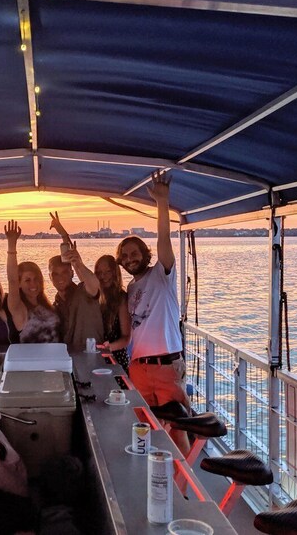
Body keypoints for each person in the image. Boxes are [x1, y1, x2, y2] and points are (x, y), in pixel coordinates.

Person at [118, 172, 189, 454]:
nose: (130, 259)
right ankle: (148, 472)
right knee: (143, 427)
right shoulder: (130, 288)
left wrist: (162, 202)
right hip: (139, 368)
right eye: (124, 256)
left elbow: (164, 239)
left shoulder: (162, 274)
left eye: (134, 253)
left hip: (166, 366)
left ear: (145, 254)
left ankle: (182, 481)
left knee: (177, 430)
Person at [48, 212, 104, 353]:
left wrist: (78, 263)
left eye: (65, 272)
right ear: (50, 277)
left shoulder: (84, 292)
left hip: (92, 358)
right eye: (55, 274)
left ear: (72, 273)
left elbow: (94, 284)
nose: (60, 277)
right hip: (67, 359)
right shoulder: (55, 305)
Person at [5, 220, 61, 343]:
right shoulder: (19, 308)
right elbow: (12, 280)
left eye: (36, 279)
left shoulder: (46, 306)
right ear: (19, 284)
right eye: (27, 280)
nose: (33, 284)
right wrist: (12, 245)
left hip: (56, 355)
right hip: (30, 356)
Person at [95, 254, 131, 373]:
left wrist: (109, 347)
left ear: (115, 273)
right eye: (99, 272)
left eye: (108, 272)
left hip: (116, 358)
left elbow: (126, 337)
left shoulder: (121, 298)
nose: (103, 276)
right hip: (96, 356)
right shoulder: (95, 297)